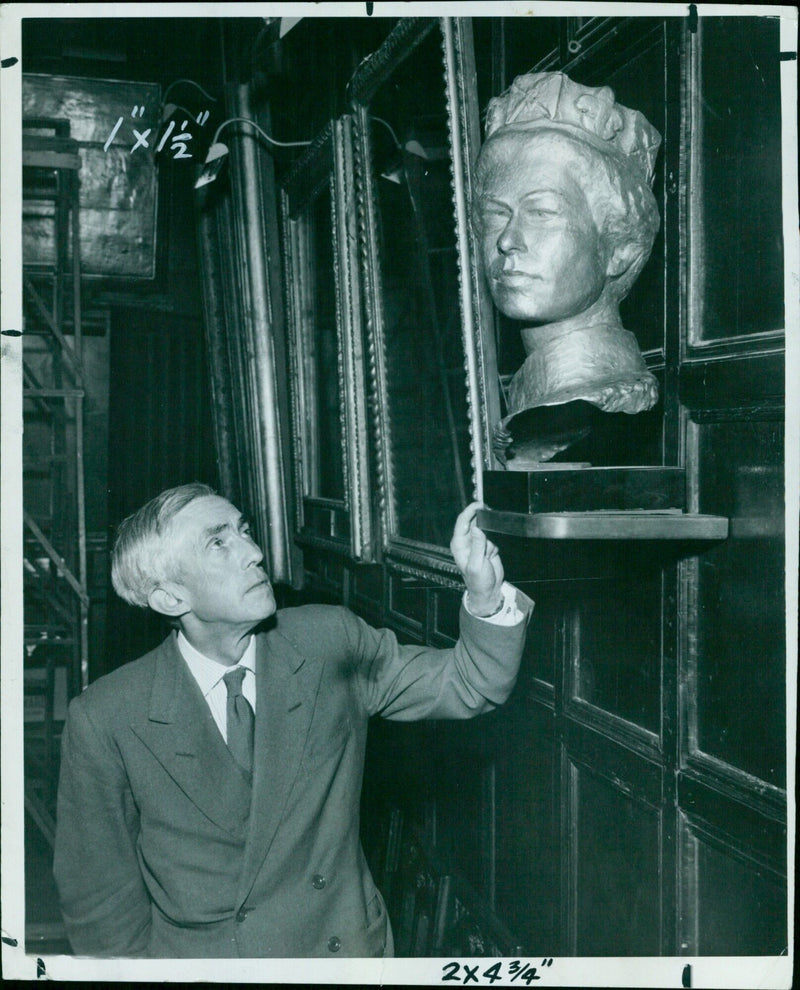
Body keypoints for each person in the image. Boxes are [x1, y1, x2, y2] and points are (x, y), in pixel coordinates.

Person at [53, 483, 532, 958]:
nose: (255, 552)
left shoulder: (327, 642)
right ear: (170, 598)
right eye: (219, 543)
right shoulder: (108, 717)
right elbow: (101, 907)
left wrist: (484, 595)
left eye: (244, 531)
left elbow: (473, 683)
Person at [473, 71, 662, 465]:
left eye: (541, 212)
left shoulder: (594, 400)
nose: (507, 240)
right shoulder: (529, 393)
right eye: (496, 213)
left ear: (619, 247)